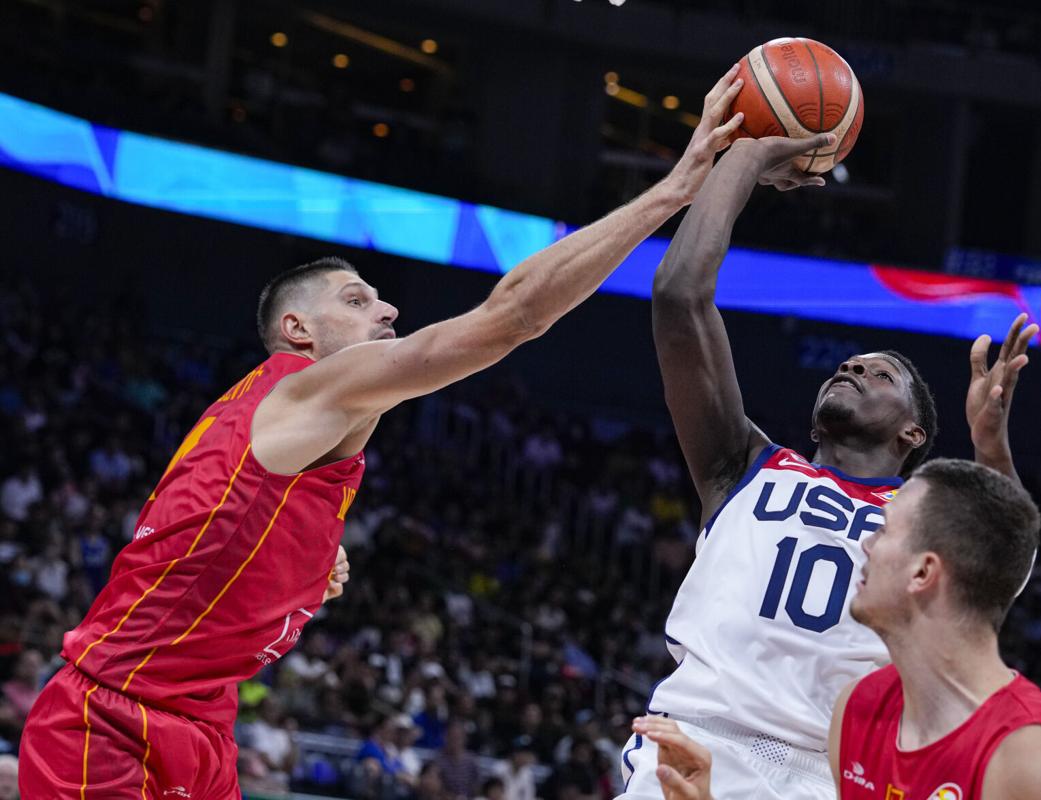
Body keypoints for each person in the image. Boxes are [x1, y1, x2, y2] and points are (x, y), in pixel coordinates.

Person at [17, 65, 751, 799]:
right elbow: (515, 317)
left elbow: (209, 535)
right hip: (112, 722)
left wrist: (307, 564)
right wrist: (674, 188)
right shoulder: (304, 386)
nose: (388, 309)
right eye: (356, 300)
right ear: (297, 330)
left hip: (202, 728)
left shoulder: (298, 431)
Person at [620, 132, 1038, 800]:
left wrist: (990, 445)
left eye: (880, 374)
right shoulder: (742, 463)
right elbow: (679, 295)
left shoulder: (925, 512)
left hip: (834, 770)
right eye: (848, 364)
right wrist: (746, 158)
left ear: (913, 431)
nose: (852, 369)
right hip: (698, 738)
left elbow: (1005, 563)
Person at [632, 459, 1041, 800]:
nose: (864, 545)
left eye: (882, 531)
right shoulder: (859, 711)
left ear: (923, 572)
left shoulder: (1040, 763)